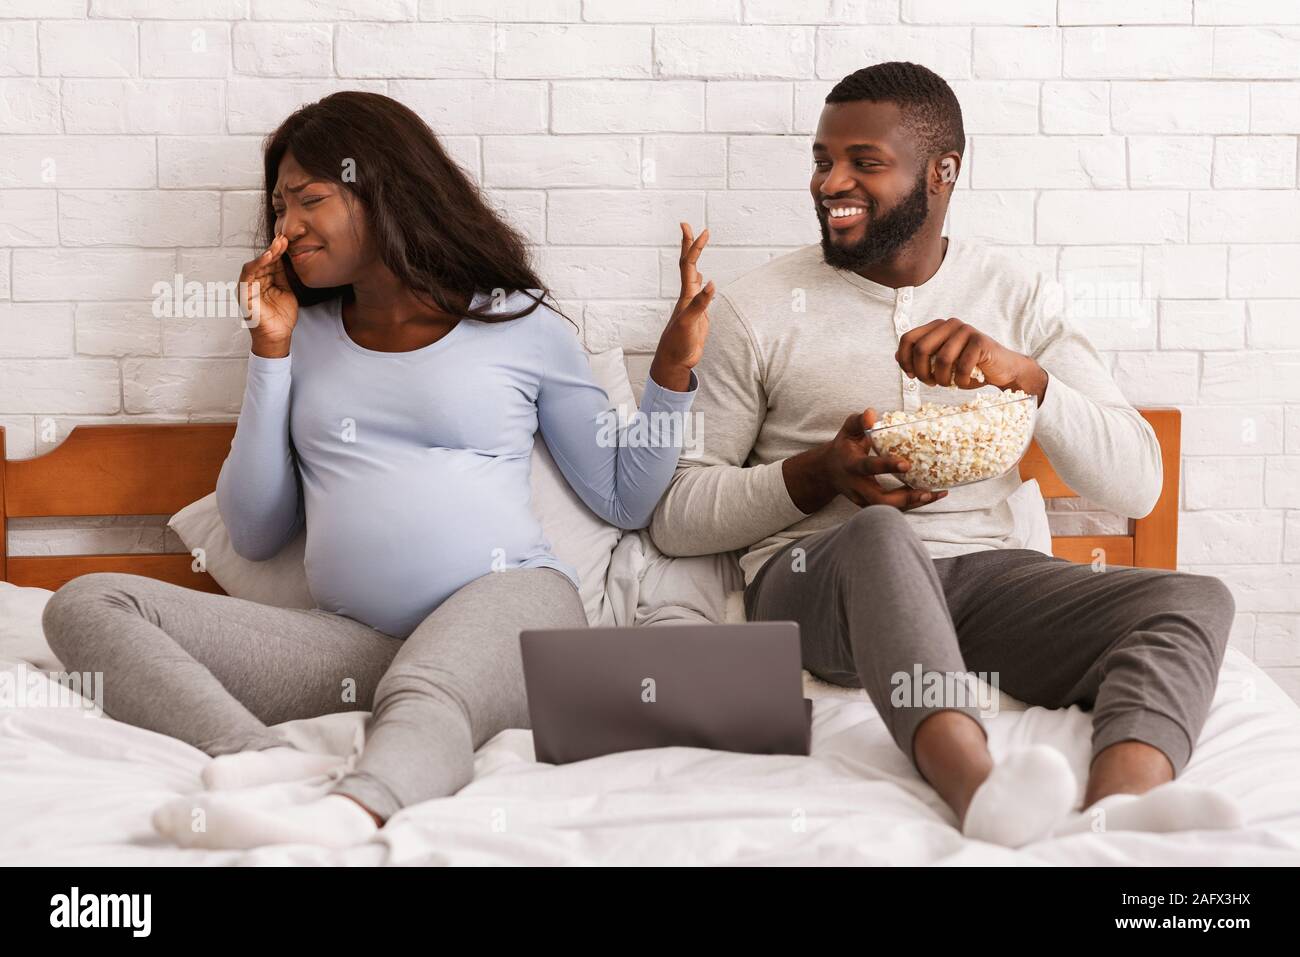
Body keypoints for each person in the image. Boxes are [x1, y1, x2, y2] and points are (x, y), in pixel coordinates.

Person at [41, 91, 715, 850]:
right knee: (86, 603)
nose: (287, 226)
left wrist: (671, 372)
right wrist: (269, 351)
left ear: (383, 190)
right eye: (279, 206)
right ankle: (257, 761)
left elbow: (624, 498)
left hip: (510, 607)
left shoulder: (519, 322)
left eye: (310, 200)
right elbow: (256, 532)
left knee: (426, 688)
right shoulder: (304, 335)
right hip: (357, 644)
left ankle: (349, 815)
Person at [649, 61, 1242, 847]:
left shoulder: (1017, 296)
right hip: (819, 582)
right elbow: (676, 513)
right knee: (880, 534)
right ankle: (977, 786)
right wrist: (820, 474)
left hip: (980, 581)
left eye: (864, 162)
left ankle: (1120, 809)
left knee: (1194, 598)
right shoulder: (755, 308)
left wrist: (1030, 380)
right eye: (823, 160)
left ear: (943, 171)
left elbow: (1138, 483)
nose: (831, 183)